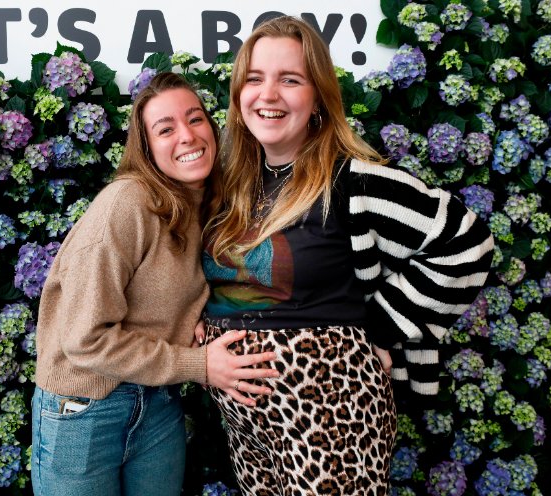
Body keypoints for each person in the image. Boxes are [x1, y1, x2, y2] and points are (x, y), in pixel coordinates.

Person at [197, 16, 494, 495]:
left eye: (289, 80)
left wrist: (381, 328)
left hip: (331, 413)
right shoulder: (233, 185)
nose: (267, 94)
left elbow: (466, 241)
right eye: (254, 79)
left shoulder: (352, 181)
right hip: (245, 422)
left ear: (317, 97)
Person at [31, 72, 280, 496]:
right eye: (165, 129)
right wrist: (199, 364)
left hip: (158, 400)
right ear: (147, 149)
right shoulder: (127, 204)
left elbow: (170, 288)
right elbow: (85, 339)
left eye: (195, 119)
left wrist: (197, 317)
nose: (187, 136)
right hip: (87, 407)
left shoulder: (207, 205)